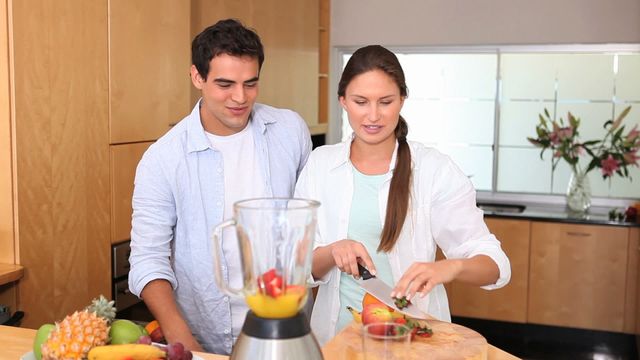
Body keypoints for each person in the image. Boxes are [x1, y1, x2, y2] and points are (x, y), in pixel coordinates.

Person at [294, 45, 511, 345]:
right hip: (335, 342)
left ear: (402, 100)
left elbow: (497, 267)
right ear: (343, 101)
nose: (373, 115)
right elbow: (296, 267)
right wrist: (332, 252)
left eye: (385, 102)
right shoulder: (320, 165)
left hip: (416, 343)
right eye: (361, 101)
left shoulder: (434, 169)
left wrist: (450, 267)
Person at [128, 19, 312, 354]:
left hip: (289, 327)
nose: (240, 98)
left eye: (251, 83)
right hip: (208, 337)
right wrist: (184, 340)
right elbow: (147, 259)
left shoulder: (290, 130)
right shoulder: (163, 159)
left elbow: (310, 226)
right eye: (225, 84)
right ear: (197, 77)